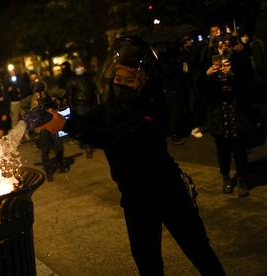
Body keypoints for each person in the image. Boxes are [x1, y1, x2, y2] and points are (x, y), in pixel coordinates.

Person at [37, 35, 225, 275]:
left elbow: (113, 137)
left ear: (144, 80)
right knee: (148, 263)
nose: (121, 84)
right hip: (135, 199)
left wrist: (67, 126)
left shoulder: (152, 107)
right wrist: (56, 111)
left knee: (199, 251)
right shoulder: (112, 106)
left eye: (129, 80)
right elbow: (87, 118)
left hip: (167, 191)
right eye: (118, 78)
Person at [204, 33, 254, 197]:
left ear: (232, 45)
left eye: (227, 43)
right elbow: (200, 90)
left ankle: (241, 179)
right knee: (222, 147)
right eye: (220, 44)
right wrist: (208, 75)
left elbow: (250, 84)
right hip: (219, 111)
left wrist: (233, 74)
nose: (224, 46)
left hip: (236, 109)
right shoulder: (210, 61)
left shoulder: (241, 60)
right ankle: (225, 177)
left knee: (239, 146)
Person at [66, 59, 97, 157]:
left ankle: (90, 143)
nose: (80, 68)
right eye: (77, 67)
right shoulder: (72, 80)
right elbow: (70, 96)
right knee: (84, 126)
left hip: (90, 105)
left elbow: (94, 91)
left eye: (81, 66)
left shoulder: (89, 78)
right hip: (79, 106)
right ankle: (87, 146)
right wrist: (72, 108)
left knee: (91, 125)